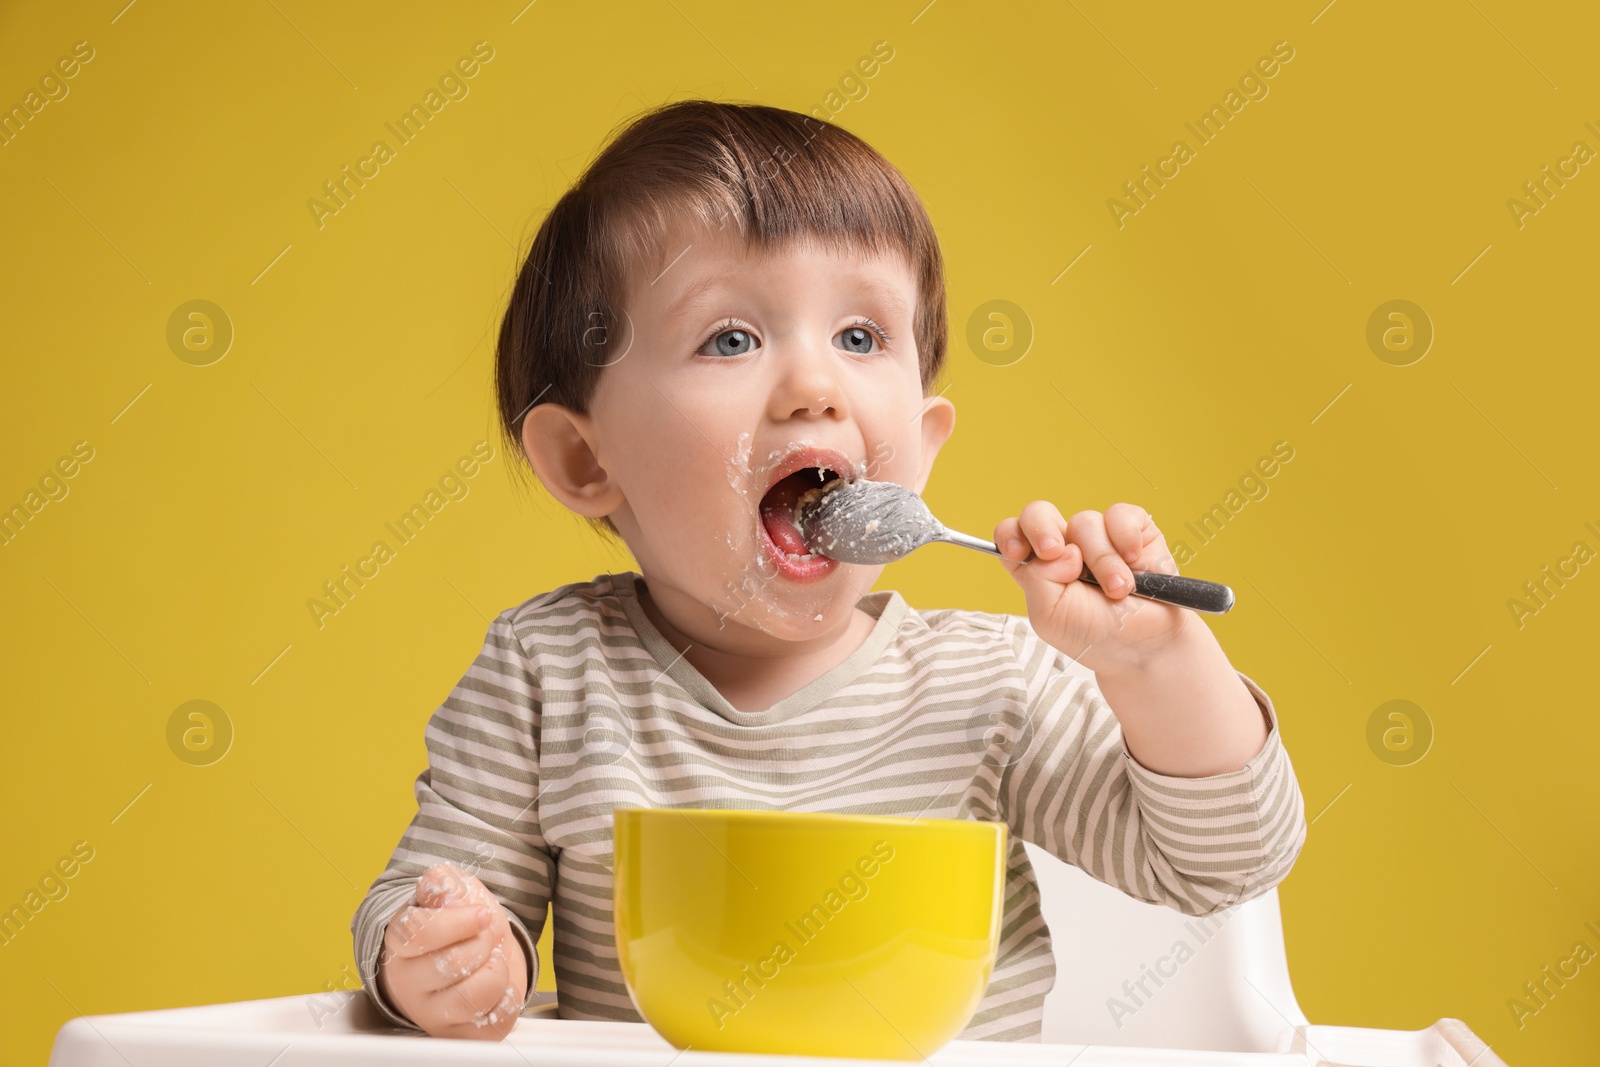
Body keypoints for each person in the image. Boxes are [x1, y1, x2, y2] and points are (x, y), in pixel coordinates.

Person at [350, 99, 1307, 1043]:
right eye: (731, 338)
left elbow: (1224, 864)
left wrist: (1158, 664)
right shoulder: (546, 674)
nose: (816, 386)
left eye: (860, 337)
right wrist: (444, 953)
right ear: (586, 460)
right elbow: (423, 896)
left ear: (924, 446)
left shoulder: (992, 684)